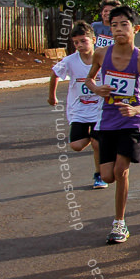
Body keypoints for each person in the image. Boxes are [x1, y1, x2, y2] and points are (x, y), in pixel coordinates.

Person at [85, 6, 140, 244]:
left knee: (121, 171)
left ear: (135, 29)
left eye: (124, 25)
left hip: (132, 121)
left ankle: (119, 223)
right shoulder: (101, 54)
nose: (119, 29)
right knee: (108, 176)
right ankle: (118, 213)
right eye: (115, 25)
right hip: (107, 120)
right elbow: (89, 79)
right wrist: (97, 88)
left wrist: (136, 109)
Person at [48, 21, 106, 189]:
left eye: (83, 41)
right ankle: (102, 139)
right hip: (78, 110)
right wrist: (52, 97)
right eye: (76, 42)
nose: (80, 45)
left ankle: (99, 175)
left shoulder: (103, 59)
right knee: (76, 145)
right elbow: (54, 74)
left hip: (99, 109)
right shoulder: (70, 61)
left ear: (93, 40)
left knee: (97, 144)